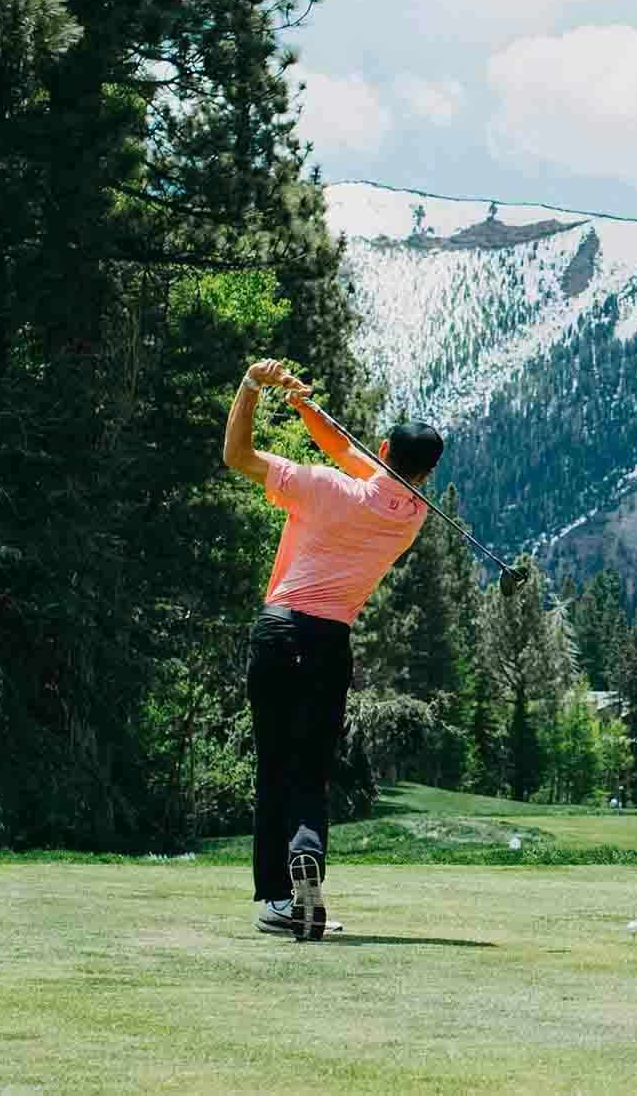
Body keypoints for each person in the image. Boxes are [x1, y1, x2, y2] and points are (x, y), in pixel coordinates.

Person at [223, 358, 442, 940]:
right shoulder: (412, 515)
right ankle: (308, 874)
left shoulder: (322, 486)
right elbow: (353, 456)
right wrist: (302, 406)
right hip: (329, 643)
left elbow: (237, 457)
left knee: (273, 767)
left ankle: (277, 898)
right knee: (310, 771)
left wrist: (251, 386)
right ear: (426, 472)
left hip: (280, 630)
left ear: (383, 447)